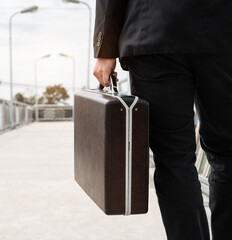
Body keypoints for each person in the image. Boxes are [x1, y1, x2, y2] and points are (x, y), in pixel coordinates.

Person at [92, 1, 232, 239]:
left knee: (173, 159)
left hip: (153, 31)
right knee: (228, 153)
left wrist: (105, 50)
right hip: (223, 29)